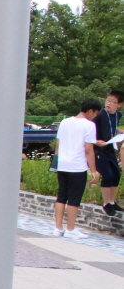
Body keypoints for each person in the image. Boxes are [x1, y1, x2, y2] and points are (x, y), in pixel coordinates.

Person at [53, 99, 100, 238]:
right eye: (96, 113)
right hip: (77, 166)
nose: (95, 116)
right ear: (90, 111)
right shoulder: (89, 125)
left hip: (62, 164)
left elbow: (58, 144)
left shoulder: (65, 122)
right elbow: (88, 149)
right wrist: (93, 170)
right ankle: (71, 229)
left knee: (62, 196)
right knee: (74, 198)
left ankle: (58, 228)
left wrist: (55, 163)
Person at [93, 90, 123, 216]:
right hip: (100, 148)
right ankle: (105, 203)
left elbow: (110, 127)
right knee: (107, 175)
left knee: (116, 174)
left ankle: (112, 201)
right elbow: (90, 130)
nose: (109, 103)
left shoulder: (118, 115)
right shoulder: (99, 115)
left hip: (110, 148)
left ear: (119, 104)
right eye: (108, 100)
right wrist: (95, 142)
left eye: (113, 102)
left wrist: (118, 131)